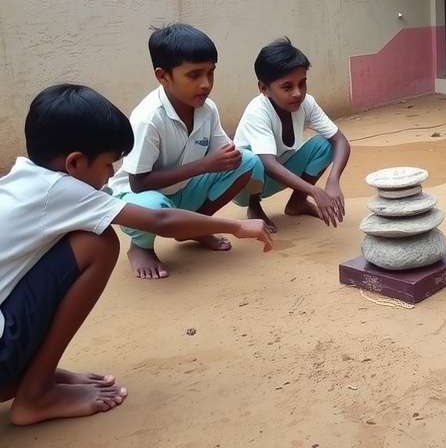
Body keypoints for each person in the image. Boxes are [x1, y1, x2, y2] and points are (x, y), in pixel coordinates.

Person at [0, 84, 270, 425]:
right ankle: (35, 395)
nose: (112, 174)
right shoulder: (62, 189)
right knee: (98, 243)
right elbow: (159, 220)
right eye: (108, 164)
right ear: (75, 163)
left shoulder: (22, 178)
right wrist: (238, 227)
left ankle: (39, 376)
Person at [109, 24, 262, 279]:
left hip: (182, 191)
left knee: (248, 162)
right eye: (194, 75)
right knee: (152, 204)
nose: (206, 84)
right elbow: (138, 183)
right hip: (140, 199)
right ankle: (140, 246)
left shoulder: (206, 108)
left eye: (211, 73)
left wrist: (232, 155)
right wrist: (204, 165)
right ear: (163, 76)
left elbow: (224, 152)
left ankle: (194, 228)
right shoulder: (149, 119)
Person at [234, 37, 351, 232]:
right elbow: (268, 164)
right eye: (287, 87)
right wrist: (315, 191)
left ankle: (297, 202)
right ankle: (254, 207)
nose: (298, 93)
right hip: (245, 185)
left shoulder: (307, 103)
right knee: (251, 160)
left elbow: (340, 141)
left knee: (325, 144)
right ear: (264, 88)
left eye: (302, 83)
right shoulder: (257, 111)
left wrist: (333, 180)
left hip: (279, 173)